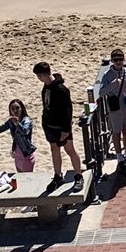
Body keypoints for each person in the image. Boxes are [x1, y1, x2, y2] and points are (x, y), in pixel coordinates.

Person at [33, 62, 85, 192]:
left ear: (41, 75)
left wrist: (66, 130)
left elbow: (68, 111)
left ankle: (78, 176)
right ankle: (57, 176)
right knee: (54, 150)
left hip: (61, 127)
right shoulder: (46, 87)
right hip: (50, 125)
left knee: (70, 150)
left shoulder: (61, 89)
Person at [0, 99, 37, 175]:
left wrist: (17, 124)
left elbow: (25, 131)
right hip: (17, 156)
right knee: (20, 177)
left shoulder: (26, 120)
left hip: (26, 156)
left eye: (17, 108)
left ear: (22, 108)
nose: (15, 111)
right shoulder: (11, 121)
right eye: (12, 109)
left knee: (27, 178)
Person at [99, 49, 126, 173]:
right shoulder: (107, 75)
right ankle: (120, 158)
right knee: (116, 133)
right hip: (114, 109)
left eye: (120, 59)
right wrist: (113, 84)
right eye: (115, 59)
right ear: (112, 61)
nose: (118, 62)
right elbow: (101, 92)